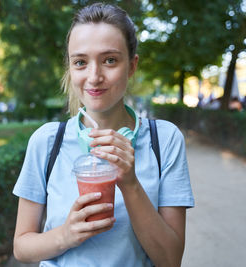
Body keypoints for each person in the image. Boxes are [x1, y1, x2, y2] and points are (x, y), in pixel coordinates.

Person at [12, 3, 194, 267]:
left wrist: (130, 183)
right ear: (71, 68)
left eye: (109, 60)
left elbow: (170, 259)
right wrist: (65, 235)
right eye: (81, 62)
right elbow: (21, 247)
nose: (94, 76)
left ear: (132, 66)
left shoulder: (164, 140)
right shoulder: (47, 142)